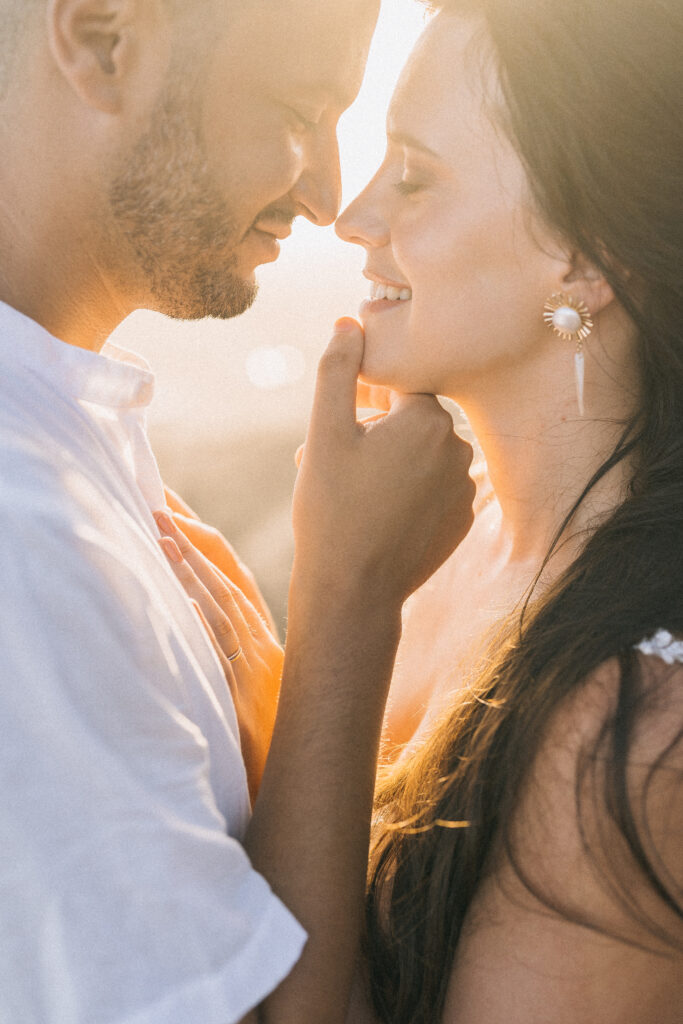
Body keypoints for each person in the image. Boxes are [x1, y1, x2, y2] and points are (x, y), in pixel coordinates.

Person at [0, 1, 477, 1022]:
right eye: (302, 109)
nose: (325, 194)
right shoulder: (23, 531)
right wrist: (349, 600)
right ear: (102, 44)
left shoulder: (63, 445)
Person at [331, 0, 682, 1020]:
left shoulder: (635, 731)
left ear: (583, 256)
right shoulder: (440, 546)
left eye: (414, 173)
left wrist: (337, 605)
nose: (351, 216)